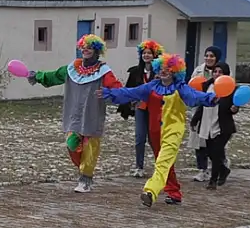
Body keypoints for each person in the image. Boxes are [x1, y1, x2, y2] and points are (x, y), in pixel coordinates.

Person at [99, 53, 218, 208]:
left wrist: (210, 98)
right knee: (164, 162)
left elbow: (195, 96)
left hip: (173, 130)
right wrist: (110, 93)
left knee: (162, 162)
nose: (164, 71)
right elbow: (130, 92)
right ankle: (174, 192)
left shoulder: (181, 88)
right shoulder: (152, 86)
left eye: (168, 68)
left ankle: (150, 191)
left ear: (175, 70)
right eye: (161, 68)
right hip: (155, 130)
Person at [28, 34, 123, 193]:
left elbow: (117, 88)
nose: (86, 50)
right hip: (74, 114)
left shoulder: (104, 72)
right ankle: (83, 170)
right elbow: (54, 75)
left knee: (90, 148)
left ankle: (86, 179)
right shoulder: (73, 68)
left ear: (97, 51)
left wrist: (130, 98)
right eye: (84, 47)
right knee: (72, 144)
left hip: (92, 115)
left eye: (90, 48)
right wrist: (37, 76)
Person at [118, 40, 164, 179]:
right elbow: (129, 89)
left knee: (154, 138)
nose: (146, 55)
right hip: (141, 108)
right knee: (139, 138)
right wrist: (130, 103)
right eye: (144, 53)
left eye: (149, 53)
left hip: (156, 109)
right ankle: (139, 167)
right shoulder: (135, 71)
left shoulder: (161, 71)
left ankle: (160, 165)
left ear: (155, 55)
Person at [191, 63, 239, 190]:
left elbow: (235, 105)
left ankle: (213, 180)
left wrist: (234, 109)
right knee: (210, 153)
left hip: (222, 126)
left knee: (216, 152)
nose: (217, 74)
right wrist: (195, 120)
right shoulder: (207, 86)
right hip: (207, 123)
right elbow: (202, 104)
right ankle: (223, 170)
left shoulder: (230, 88)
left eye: (220, 72)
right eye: (215, 71)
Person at [190, 46, 224, 182]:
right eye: (207, 55)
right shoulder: (198, 71)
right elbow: (192, 87)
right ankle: (202, 169)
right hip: (200, 109)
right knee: (199, 141)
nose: (208, 58)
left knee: (214, 142)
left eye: (212, 56)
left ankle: (219, 165)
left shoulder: (223, 71)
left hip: (216, 112)